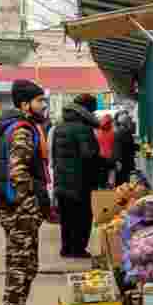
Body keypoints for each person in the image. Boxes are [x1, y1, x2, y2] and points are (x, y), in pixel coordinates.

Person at [0, 79, 52, 305]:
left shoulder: (18, 126)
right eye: (40, 101)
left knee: (27, 265)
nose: (43, 106)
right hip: (20, 208)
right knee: (20, 266)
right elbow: (18, 171)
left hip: (14, 205)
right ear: (26, 105)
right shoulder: (23, 130)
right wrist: (31, 204)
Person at [52, 94, 103, 259]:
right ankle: (78, 249)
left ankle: (66, 248)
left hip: (62, 179)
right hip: (80, 181)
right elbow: (89, 155)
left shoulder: (59, 127)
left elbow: (54, 155)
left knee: (66, 217)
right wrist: (106, 163)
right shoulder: (83, 128)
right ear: (87, 110)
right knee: (82, 216)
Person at [113, 110, 138, 183]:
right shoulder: (124, 132)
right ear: (126, 122)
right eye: (129, 120)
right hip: (124, 161)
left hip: (123, 161)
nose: (131, 122)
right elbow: (126, 146)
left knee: (121, 180)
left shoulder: (119, 131)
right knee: (122, 180)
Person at [96, 113, 116, 186]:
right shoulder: (113, 132)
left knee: (102, 176)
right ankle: (109, 187)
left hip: (100, 157)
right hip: (111, 157)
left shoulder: (98, 131)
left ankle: (102, 190)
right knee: (111, 176)